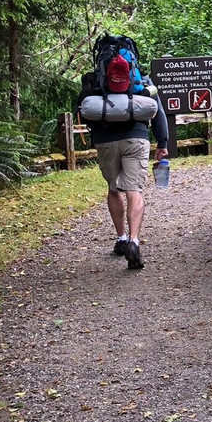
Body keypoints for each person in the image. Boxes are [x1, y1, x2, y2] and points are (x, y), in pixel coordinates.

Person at [80, 51, 168, 270]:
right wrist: (163, 144)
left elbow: (81, 111)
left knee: (113, 188)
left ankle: (121, 238)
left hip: (105, 141)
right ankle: (134, 242)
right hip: (136, 138)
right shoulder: (143, 82)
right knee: (134, 190)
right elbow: (159, 114)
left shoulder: (95, 82)